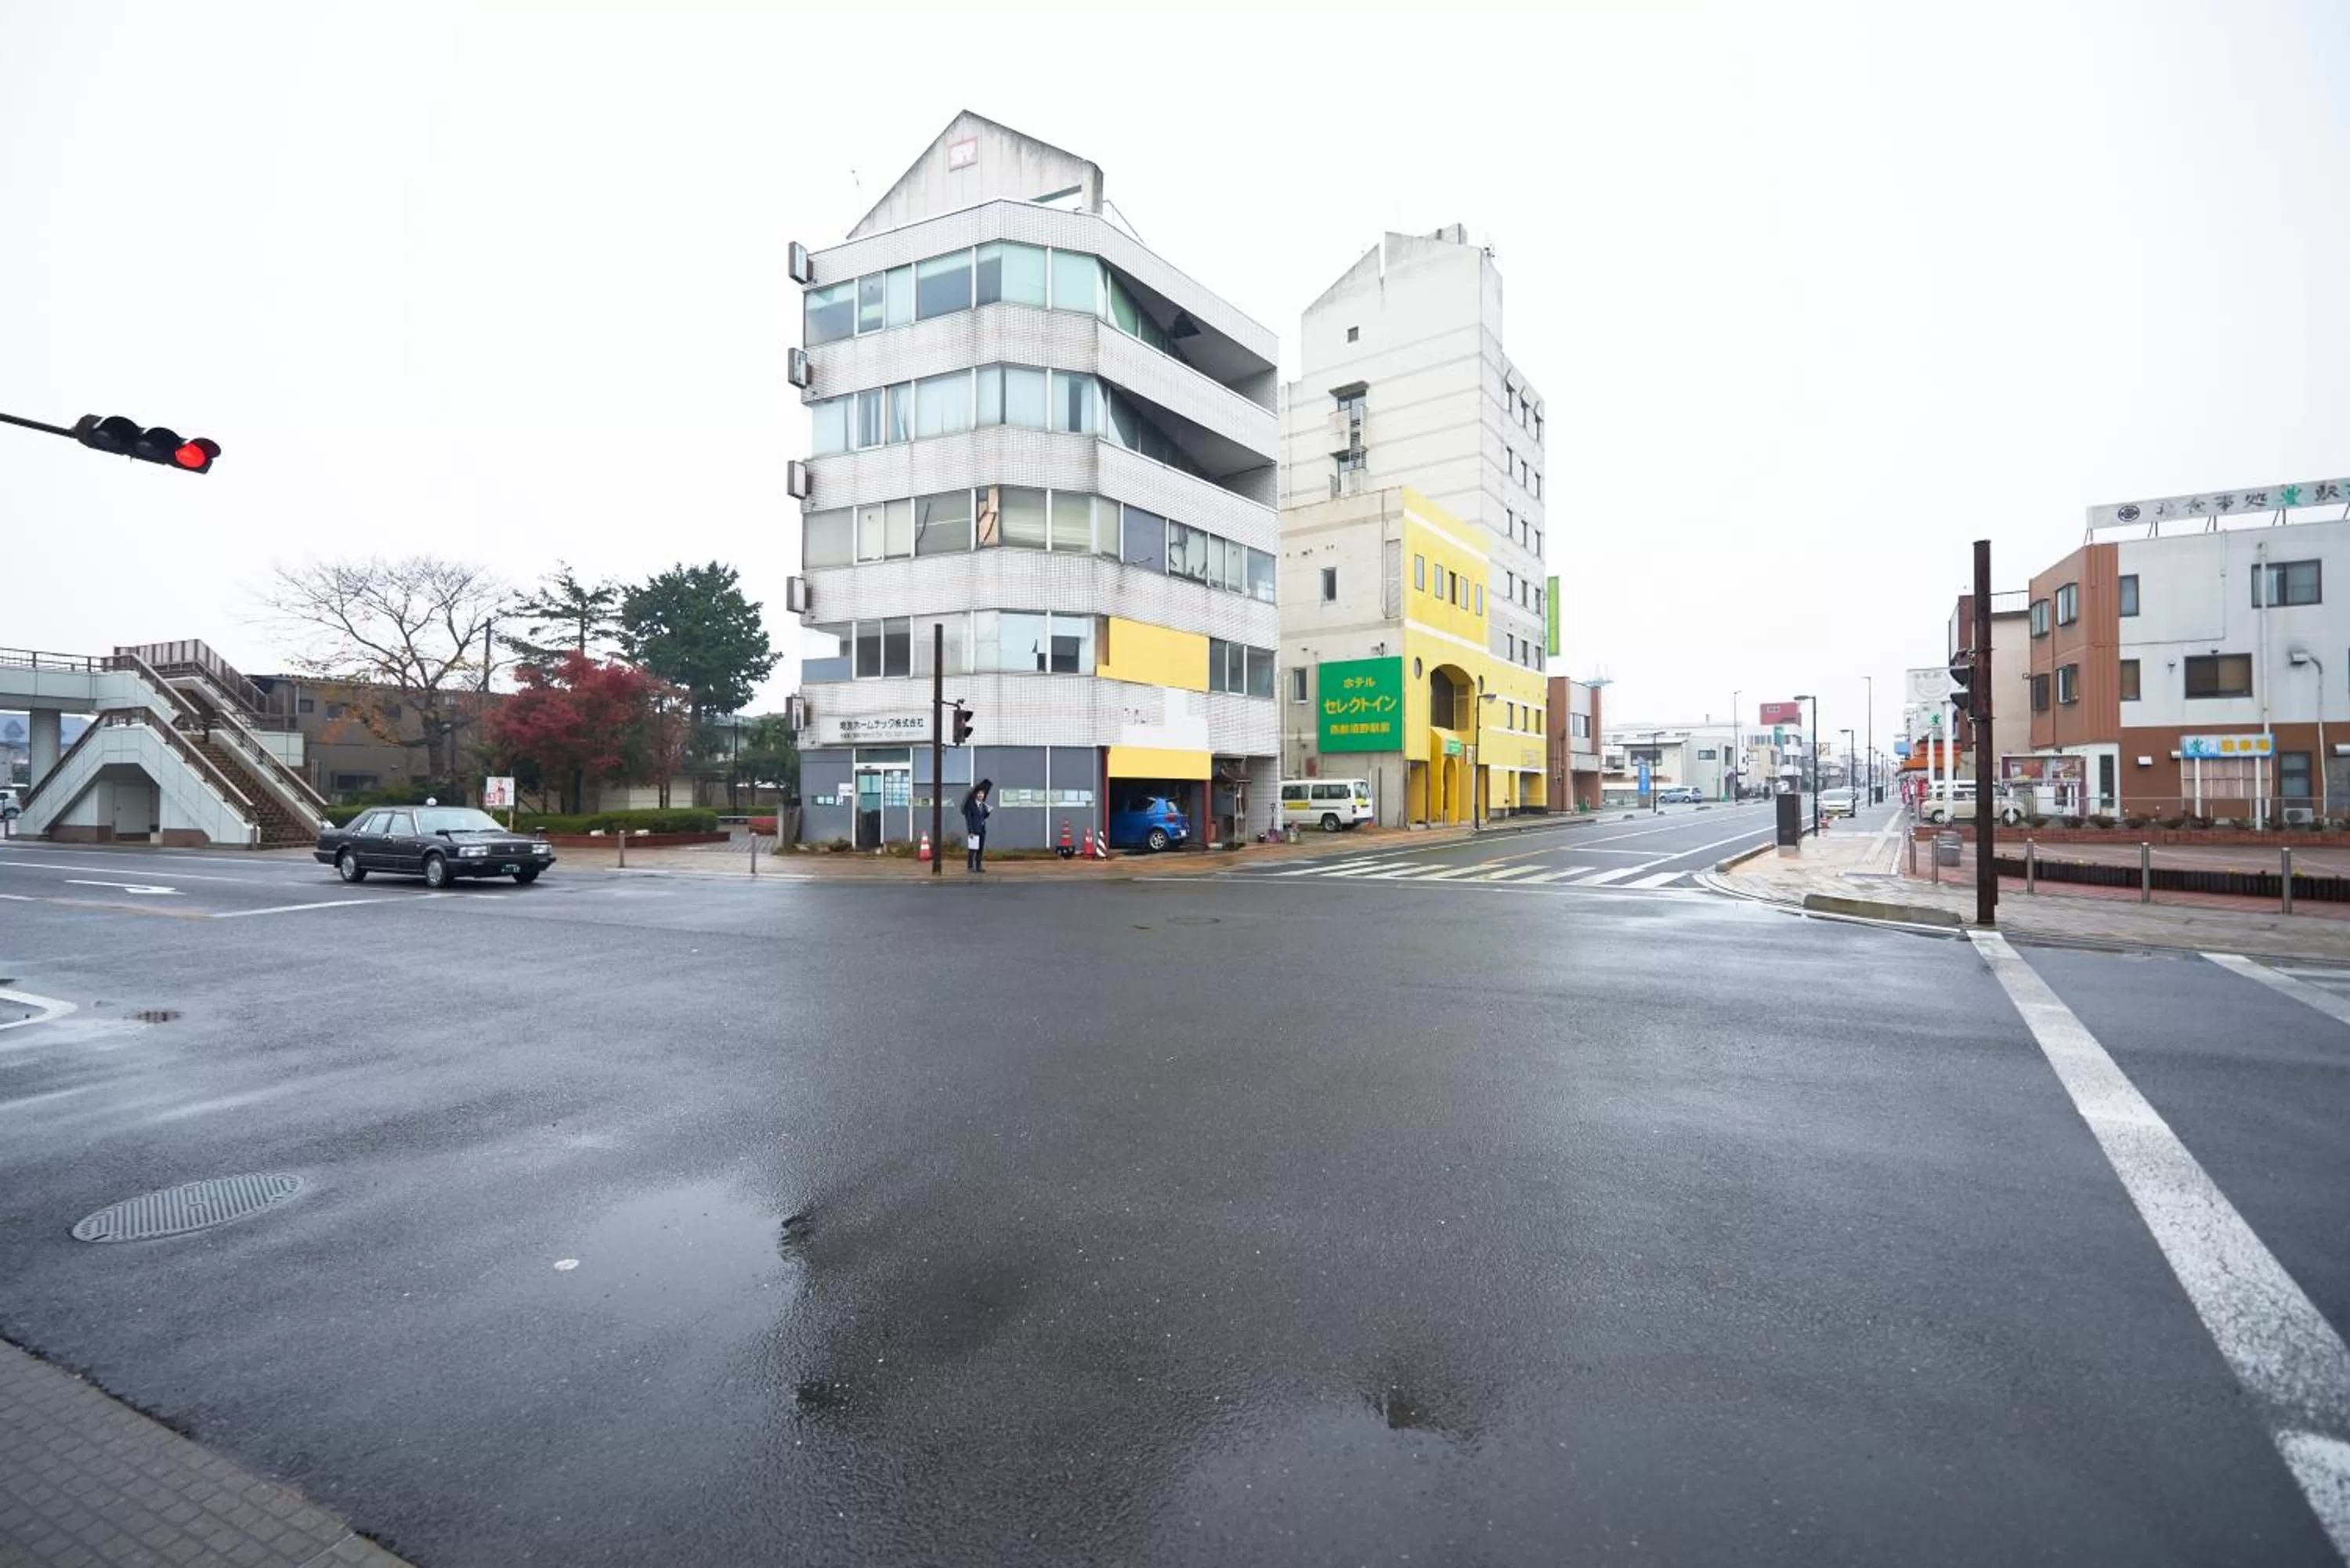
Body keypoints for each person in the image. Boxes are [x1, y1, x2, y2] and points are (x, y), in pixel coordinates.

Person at [960, 778, 993, 873]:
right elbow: (969, 819)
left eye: (982, 794)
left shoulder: (983, 805)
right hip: (974, 830)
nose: (981, 795)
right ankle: (970, 867)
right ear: (975, 794)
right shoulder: (970, 805)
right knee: (972, 849)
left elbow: (983, 817)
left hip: (982, 830)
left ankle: (979, 867)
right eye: (979, 793)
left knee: (980, 849)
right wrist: (970, 831)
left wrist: (988, 812)